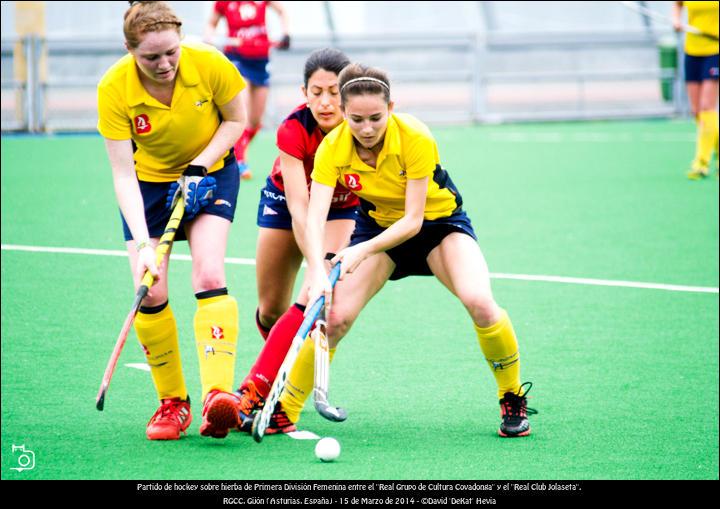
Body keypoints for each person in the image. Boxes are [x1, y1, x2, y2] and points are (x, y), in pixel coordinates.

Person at [276, 63, 536, 438]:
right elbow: (314, 218)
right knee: (334, 320)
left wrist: (358, 251)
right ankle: (284, 409)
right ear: (345, 114)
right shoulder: (332, 148)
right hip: (377, 227)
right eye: (357, 119)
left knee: (479, 302)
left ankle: (511, 396)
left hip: (439, 227)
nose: (366, 129)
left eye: (376, 118)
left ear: (391, 107)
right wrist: (316, 271)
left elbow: (414, 221)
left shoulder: (414, 136)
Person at [97, 1, 248, 441]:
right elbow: (123, 173)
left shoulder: (208, 63)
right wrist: (145, 245)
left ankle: (217, 397)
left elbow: (237, 120)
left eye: (171, 53)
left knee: (208, 272)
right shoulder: (114, 88)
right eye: (150, 57)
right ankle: (172, 404)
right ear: (129, 50)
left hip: (212, 170)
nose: (164, 64)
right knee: (150, 289)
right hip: (147, 185)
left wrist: (199, 166)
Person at [231, 48, 358, 432]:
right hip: (287, 203)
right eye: (316, 91)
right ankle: (281, 356)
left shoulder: (361, 125)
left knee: (311, 296)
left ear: (348, 92)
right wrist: (314, 260)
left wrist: (318, 270)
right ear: (304, 91)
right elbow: (301, 210)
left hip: (342, 209)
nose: (325, 102)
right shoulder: (293, 129)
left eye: (334, 92)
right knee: (271, 310)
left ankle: (255, 389)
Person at [205, 1, 291, 180]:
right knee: (241, 111)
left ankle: (237, 151)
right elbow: (211, 23)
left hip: (261, 61)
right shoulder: (224, 3)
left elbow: (282, 11)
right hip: (236, 59)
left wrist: (285, 33)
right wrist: (210, 37)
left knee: (254, 120)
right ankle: (240, 160)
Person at [672, 1, 719, 179]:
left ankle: (701, 163)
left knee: (707, 106)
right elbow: (677, 5)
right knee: (697, 111)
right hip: (692, 50)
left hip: (715, 50)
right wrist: (676, 21)